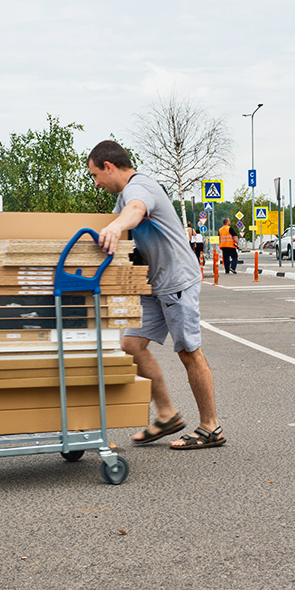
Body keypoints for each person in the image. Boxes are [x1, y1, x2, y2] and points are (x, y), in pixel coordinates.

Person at [88, 140, 225, 450]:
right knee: (131, 345)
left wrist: (117, 225)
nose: (96, 183)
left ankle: (210, 427)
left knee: (189, 351)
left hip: (176, 280)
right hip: (152, 283)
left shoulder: (140, 188)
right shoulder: (124, 196)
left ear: (109, 167)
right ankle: (167, 415)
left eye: (96, 174)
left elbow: (135, 211)